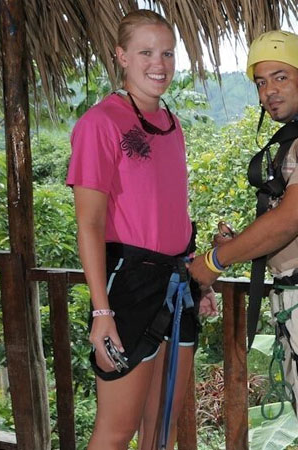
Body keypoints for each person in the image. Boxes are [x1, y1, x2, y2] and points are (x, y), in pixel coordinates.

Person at [187, 30, 298, 450]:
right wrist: (244, 242)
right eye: (260, 82)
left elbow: (289, 220)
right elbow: (288, 223)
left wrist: (216, 259)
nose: (269, 91)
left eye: (279, 77)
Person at [67, 9, 217, 449]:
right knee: (116, 432)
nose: (160, 63)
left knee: (162, 428)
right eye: (146, 52)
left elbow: (171, 213)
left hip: (177, 285)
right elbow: (89, 225)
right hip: (127, 286)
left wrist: (197, 279)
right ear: (122, 57)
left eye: (168, 53)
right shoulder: (101, 123)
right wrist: (101, 313)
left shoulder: (172, 127)